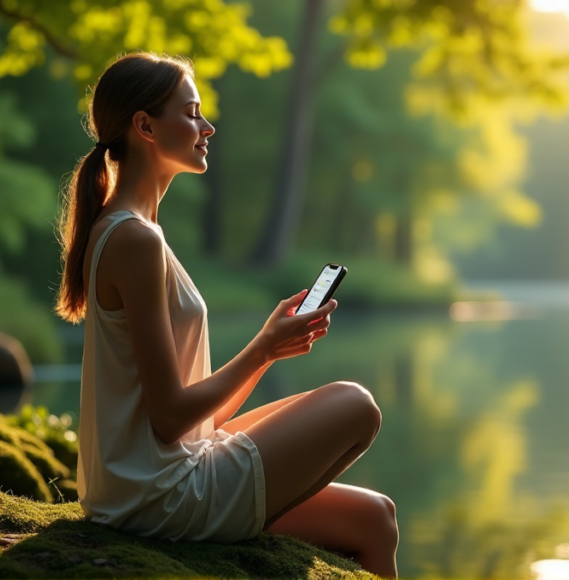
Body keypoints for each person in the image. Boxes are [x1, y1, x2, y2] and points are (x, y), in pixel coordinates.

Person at [54, 52, 398, 578]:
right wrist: (261, 348)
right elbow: (170, 419)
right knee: (357, 405)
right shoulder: (133, 238)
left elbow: (192, 422)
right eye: (191, 112)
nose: (207, 127)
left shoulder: (130, 230)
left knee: (377, 519)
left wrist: (268, 347)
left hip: (160, 475)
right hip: (159, 496)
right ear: (145, 126)